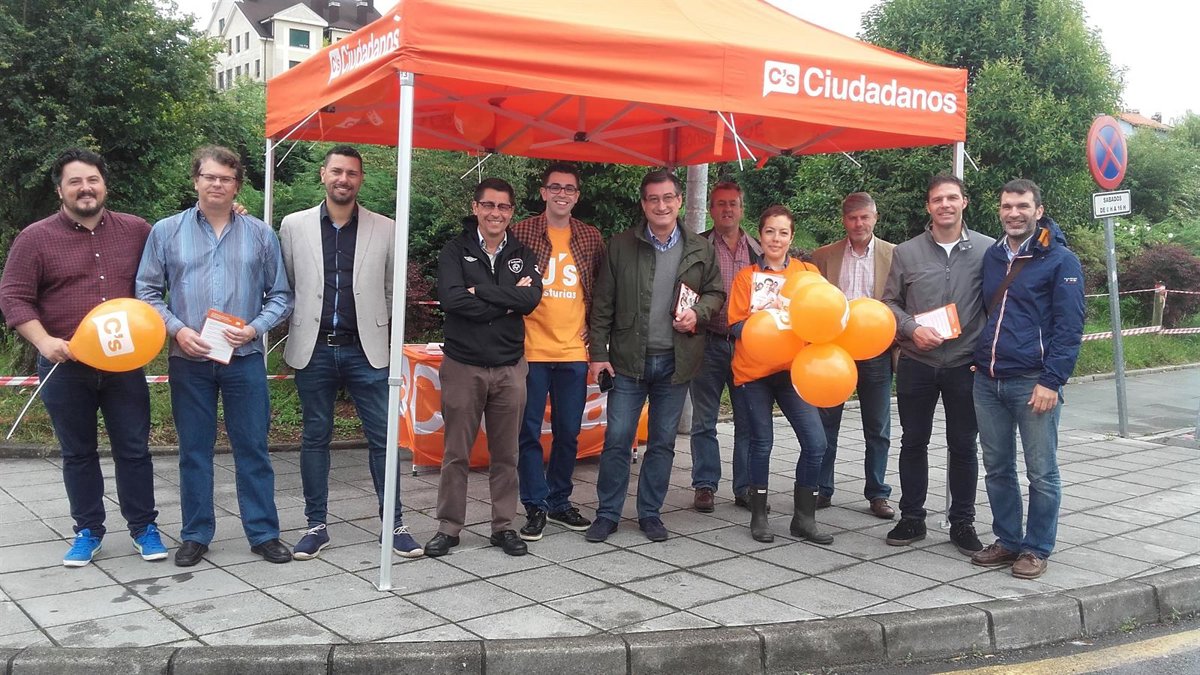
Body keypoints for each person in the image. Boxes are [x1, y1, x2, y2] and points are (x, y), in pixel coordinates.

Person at [0, 148, 167, 567]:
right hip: (64, 365)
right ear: (60, 190)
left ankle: (143, 528)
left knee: (134, 450)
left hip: (124, 364)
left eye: (92, 179)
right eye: (74, 181)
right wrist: (43, 341)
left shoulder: (137, 231)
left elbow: (177, 255)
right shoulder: (34, 238)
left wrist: (231, 212)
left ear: (104, 185)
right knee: (78, 453)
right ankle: (88, 531)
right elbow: (14, 297)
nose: (85, 188)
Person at [136, 145, 294, 566]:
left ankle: (263, 533)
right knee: (193, 451)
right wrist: (178, 329)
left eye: (226, 178)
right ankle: (195, 534)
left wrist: (255, 328)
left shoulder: (260, 233)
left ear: (237, 185)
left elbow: (281, 296)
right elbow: (147, 292)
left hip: (245, 358)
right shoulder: (166, 232)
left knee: (253, 449)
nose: (217, 184)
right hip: (189, 359)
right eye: (209, 177)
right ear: (196, 181)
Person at [279, 145, 422, 560]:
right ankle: (315, 526)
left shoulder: (386, 228)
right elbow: (289, 283)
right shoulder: (293, 225)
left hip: (367, 350)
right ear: (323, 175)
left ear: (360, 179)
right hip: (314, 349)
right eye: (337, 171)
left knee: (383, 439)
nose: (344, 179)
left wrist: (379, 330)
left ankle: (393, 524)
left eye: (352, 173)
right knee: (315, 438)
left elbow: (392, 290)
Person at [584, 169, 724, 543]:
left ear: (679, 201)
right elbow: (602, 303)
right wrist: (598, 353)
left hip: (676, 362)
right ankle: (607, 513)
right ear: (644, 204)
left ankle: (650, 513)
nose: (661, 206)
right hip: (628, 361)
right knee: (617, 438)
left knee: (662, 442)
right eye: (653, 199)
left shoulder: (700, 248)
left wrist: (699, 313)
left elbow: (716, 293)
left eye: (668, 198)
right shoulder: (620, 245)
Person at [970, 179, 1084, 579]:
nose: (1014, 213)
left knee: (1041, 471)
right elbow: (989, 312)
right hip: (988, 380)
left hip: (1033, 381)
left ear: (1038, 211)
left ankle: (1036, 548)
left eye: (1022, 206)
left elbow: (1069, 328)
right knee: (997, 467)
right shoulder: (993, 255)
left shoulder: (1061, 260)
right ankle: (1007, 540)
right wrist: (980, 356)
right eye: (1007, 206)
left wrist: (1052, 381)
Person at [424, 178, 542, 558]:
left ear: (511, 212)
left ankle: (504, 526)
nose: (496, 213)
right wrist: (508, 300)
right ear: (475, 208)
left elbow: (531, 299)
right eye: (488, 205)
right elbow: (452, 300)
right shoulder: (454, 250)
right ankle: (449, 527)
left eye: (503, 207)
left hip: (510, 367)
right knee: (456, 453)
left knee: (506, 454)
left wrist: (483, 292)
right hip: (464, 366)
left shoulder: (522, 252)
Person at [881, 174, 992, 555]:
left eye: (952, 198)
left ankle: (962, 522)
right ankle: (912, 517)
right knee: (913, 441)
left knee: (963, 445)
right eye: (937, 199)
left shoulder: (987, 250)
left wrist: (985, 354)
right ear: (928, 206)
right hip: (917, 361)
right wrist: (911, 329)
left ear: (964, 202)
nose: (945, 204)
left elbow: (996, 305)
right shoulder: (906, 252)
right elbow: (889, 303)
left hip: (965, 363)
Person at [510, 162, 604, 541]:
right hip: (530, 350)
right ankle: (535, 505)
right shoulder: (521, 232)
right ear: (544, 192)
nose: (562, 194)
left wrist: (595, 328)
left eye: (569, 188)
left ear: (577, 196)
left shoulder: (590, 236)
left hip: (573, 352)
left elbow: (601, 290)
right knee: (528, 432)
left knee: (569, 432)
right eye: (555, 187)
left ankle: (559, 500)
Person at [728, 206, 832, 544]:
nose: (776, 238)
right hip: (754, 372)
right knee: (761, 443)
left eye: (783, 232)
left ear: (791, 236)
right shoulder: (746, 278)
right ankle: (759, 516)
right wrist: (766, 317)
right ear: (760, 235)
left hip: (795, 371)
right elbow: (735, 326)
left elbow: (823, 315)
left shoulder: (807, 273)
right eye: (770, 231)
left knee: (816, 443)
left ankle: (804, 518)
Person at [811, 192, 897, 519]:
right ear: (844, 220)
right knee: (826, 424)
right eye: (852, 218)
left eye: (864, 217)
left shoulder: (894, 255)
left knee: (877, 427)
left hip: (876, 351)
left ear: (875, 217)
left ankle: (878, 493)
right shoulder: (824, 256)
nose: (859, 224)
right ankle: (822, 488)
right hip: (833, 352)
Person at [690, 181, 761, 512]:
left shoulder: (758, 250)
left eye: (733, 203)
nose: (727, 209)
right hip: (708, 342)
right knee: (704, 420)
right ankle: (705, 484)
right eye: (720, 204)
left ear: (742, 209)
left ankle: (744, 487)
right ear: (711, 209)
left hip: (748, 346)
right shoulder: (697, 245)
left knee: (747, 420)